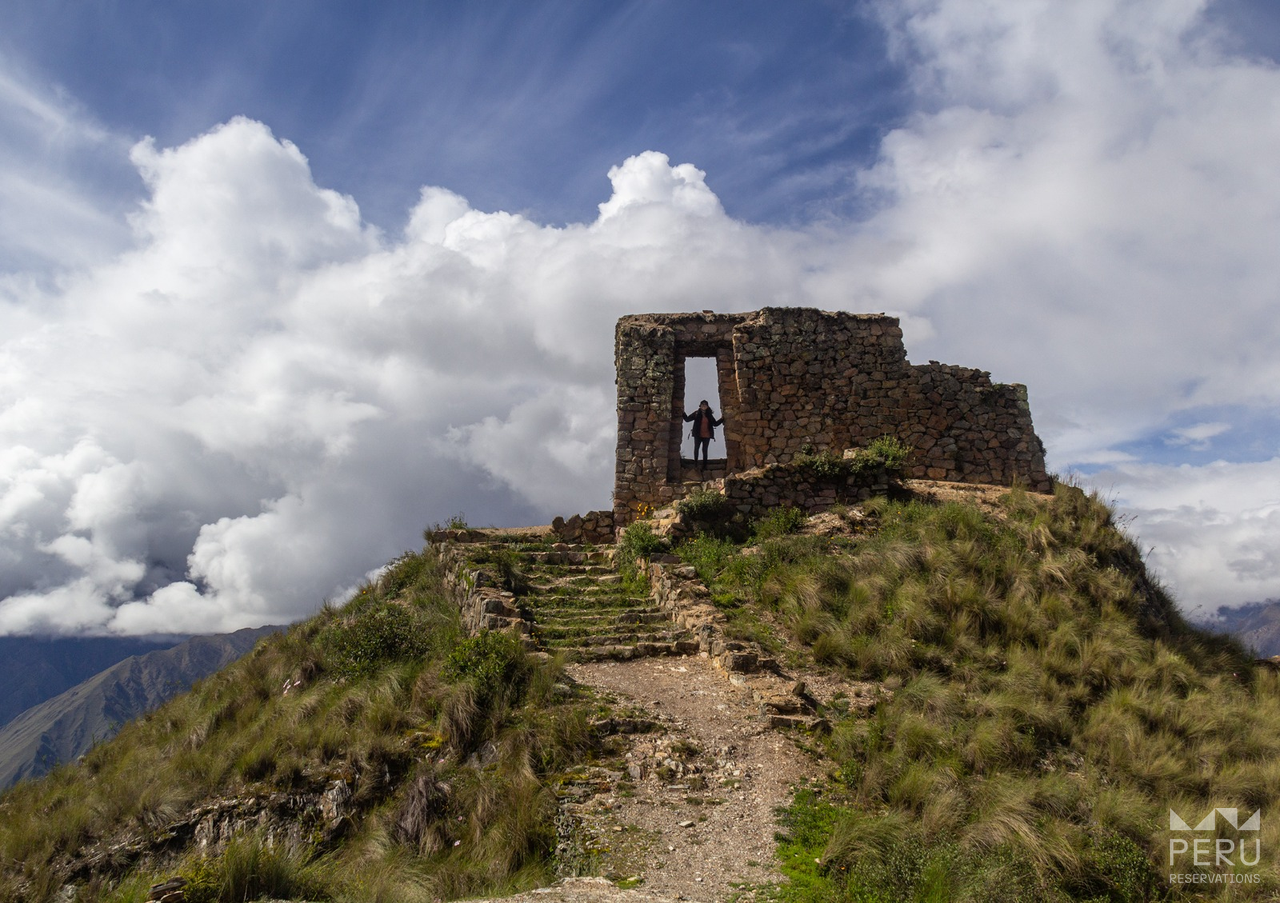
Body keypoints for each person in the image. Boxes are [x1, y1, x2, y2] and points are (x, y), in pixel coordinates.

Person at [683, 399, 724, 468]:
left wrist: (722, 419)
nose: (704, 406)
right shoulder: (696, 413)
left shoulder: (709, 415)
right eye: (702, 405)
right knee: (696, 448)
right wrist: (682, 412)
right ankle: (695, 463)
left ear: (707, 406)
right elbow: (687, 419)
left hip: (707, 435)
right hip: (698, 434)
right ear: (700, 406)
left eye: (705, 405)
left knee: (705, 450)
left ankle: (704, 465)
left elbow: (715, 424)